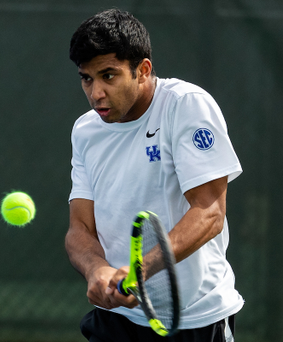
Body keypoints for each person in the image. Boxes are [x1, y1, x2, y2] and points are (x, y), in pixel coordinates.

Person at [65, 8, 244, 342]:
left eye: (108, 75)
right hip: (116, 320)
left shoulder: (186, 106)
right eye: (86, 78)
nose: (96, 93)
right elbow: (80, 228)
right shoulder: (85, 131)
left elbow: (209, 213)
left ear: (142, 70)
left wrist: (140, 270)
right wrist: (95, 269)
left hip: (195, 320)